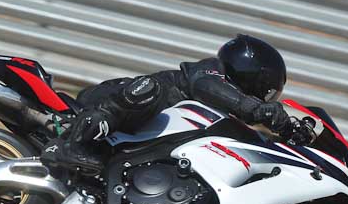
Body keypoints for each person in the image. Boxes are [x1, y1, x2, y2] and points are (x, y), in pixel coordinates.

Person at [42, 34, 316, 172]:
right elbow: (211, 89)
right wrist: (260, 110)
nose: (263, 99)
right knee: (149, 89)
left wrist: (287, 134)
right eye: (266, 92)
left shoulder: (226, 113)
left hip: (141, 141)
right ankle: (75, 145)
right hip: (112, 101)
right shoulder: (209, 74)